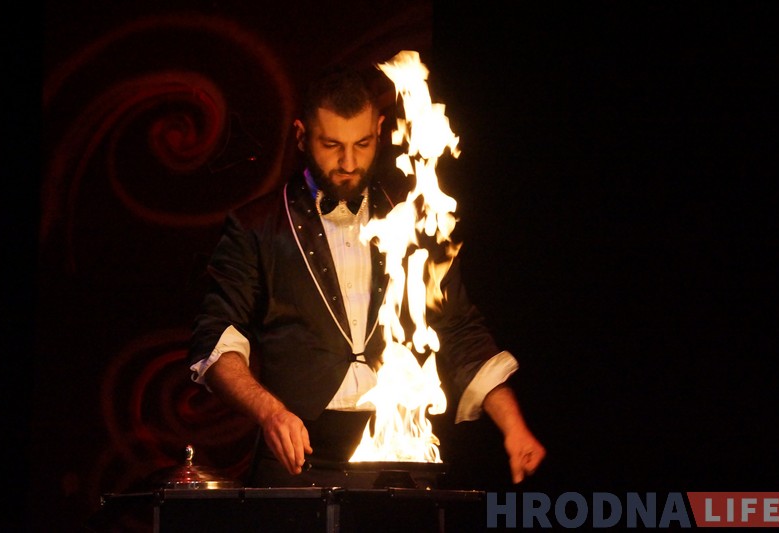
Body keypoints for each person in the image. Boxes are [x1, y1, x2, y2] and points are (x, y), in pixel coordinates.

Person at [188, 62, 545, 488]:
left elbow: (459, 329)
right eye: (331, 145)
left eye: (362, 144)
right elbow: (216, 338)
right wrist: (270, 412)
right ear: (302, 136)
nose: (348, 162)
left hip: (397, 452)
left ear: (379, 131)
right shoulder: (256, 228)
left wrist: (513, 427)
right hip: (296, 460)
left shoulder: (414, 220)